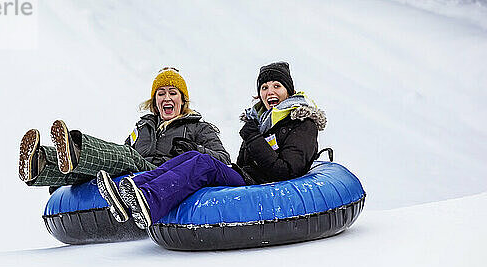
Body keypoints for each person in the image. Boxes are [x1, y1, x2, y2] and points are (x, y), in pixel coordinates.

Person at [97, 62, 327, 229]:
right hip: (247, 178)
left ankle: (149, 201)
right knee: (188, 159)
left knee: (201, 161)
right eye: (264, 88)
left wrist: (253, 138)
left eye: (276, 86)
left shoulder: (301, 122)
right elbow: (243, 163)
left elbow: (286, 171)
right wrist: (253, 136)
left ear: (289, 91)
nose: (270, 92)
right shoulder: (261, 123)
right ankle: (128, 192)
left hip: (263, 186)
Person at [17, 67, 231, 208]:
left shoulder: (198, 128)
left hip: (162, 177)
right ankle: (44, 164)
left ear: (183, 100)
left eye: (173, 92)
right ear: (154, 100)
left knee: (128, 157)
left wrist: (195, 149)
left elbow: (223, 160)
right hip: (134, 177)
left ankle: (77, 151)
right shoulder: (143, 127)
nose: (167, 98)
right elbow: (116, 156)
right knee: (107, 164)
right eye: (161, 93)